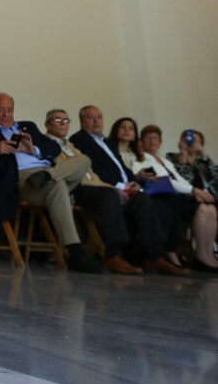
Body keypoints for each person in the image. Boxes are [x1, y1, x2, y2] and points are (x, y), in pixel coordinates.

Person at [0, 93, 101, 273]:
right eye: (1, 109)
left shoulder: (28, 127)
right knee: (60, 186)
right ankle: (75, 252)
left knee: (83, 160)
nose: (6, 114)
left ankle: (48, 176)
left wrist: (34, 149)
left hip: (45, 173)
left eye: (10, 110)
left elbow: (53, 147)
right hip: (21, 180)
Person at [71, 106, 188, 276]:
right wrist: (119, 186)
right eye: (90, 117)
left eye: (99, 117)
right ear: (82, 121)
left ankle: (153, 256)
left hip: (123, 187)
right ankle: (112, 254)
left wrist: (133, 182)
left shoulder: (107, 143)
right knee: (113, 196)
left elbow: (121, 167)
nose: (96, 121)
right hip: (97, 189)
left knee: (157, 205)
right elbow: (93, 168)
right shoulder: (79, 139)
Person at [44, 109, 141, 275]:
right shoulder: (46, 144)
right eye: (57, 120)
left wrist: (112, 187)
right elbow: (71, 174)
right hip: (72, 188)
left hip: (92, 186)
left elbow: (92, 174)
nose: (62, 123)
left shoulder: (71, 146)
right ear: (47, 124)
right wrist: (110, 189)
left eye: (66, 120)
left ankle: (144, 255)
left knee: (139, 198)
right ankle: (112, 254)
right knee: (109, 195)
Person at [135, 125, 218, 273]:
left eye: (156, 138)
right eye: (148, 137)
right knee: (201, 208)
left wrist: (195, 193)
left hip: (180, 196)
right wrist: (194, 190)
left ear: (160, 142)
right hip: (163, 198)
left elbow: (179, 179)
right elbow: (165, 181)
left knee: (209, 208)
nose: (152, 141)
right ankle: (193, 255)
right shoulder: (140, 159)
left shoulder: (164, 161)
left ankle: (207, 254)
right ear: (141, 142)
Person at [168, 130, 218, 204]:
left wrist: (204, 156)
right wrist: (183, 158)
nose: (190, 143)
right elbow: (184, 181)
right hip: (188, 198)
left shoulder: (203, 160)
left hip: (210, 196)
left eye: (195, 141)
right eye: (186, 140)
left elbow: (215, 176)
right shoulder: (172, 157)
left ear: (201, 144)